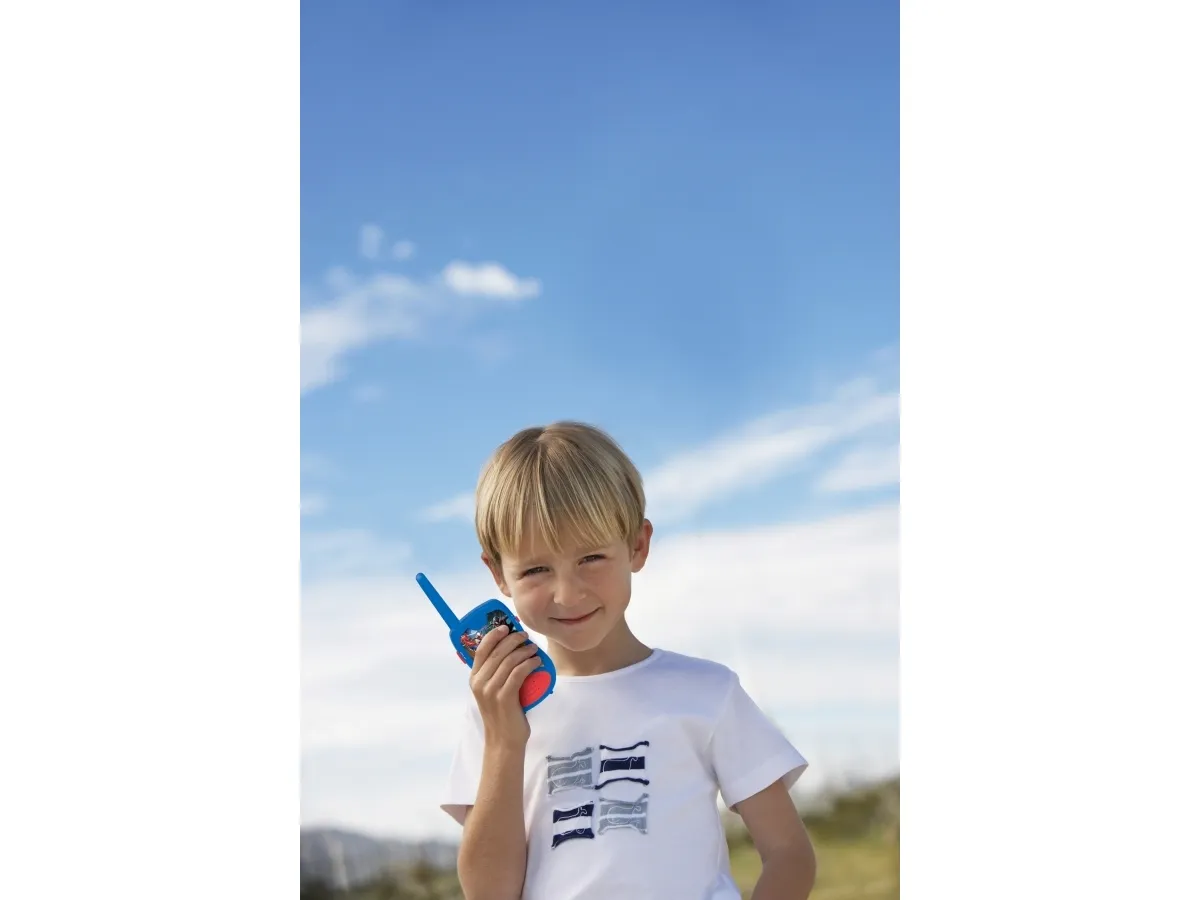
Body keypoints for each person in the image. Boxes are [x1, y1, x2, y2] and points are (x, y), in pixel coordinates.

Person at [440, 421, 817, 900]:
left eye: (591, 558)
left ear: (637, 546)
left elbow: (789, 854)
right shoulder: (494, 712)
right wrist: (504, 742)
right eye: (536, 569)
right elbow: (488, 893)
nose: (567, 593)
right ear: (498, 573)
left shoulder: (708, 692)